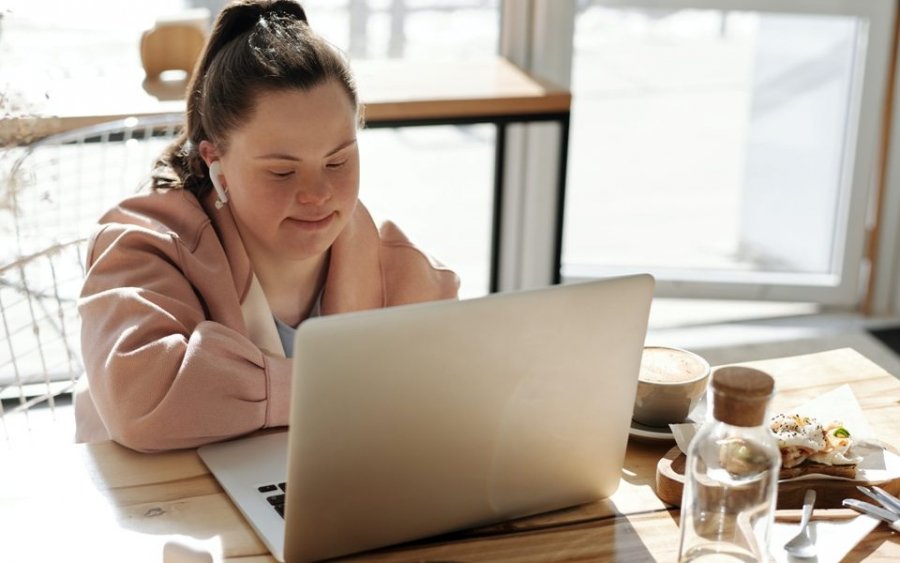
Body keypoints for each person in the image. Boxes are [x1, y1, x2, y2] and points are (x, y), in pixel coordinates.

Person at [74, 0, 459, 452]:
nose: (317, 194)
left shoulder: (401, 269)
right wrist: (343, 389)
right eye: (282, 171)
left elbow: (450, 399)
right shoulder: (143, 246)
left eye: (338, 160)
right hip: (154, 509)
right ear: (215, 162)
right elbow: (142, 402)